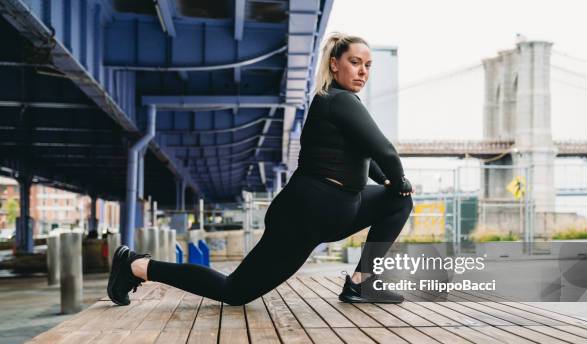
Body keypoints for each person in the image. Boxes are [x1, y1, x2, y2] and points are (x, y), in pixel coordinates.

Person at [107, 32, 413, 307]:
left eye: (368, 65)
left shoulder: (344, 103)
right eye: (355, 62)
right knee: (235, 291)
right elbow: (383, 149)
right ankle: (136, 266)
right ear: (334, 64)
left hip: (342, 207)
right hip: (304, 215)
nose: (363, 71)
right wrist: (399, 177)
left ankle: (361, 284)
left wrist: (390, 182)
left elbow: (368, 158)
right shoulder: (337, 99)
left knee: (399, 201)